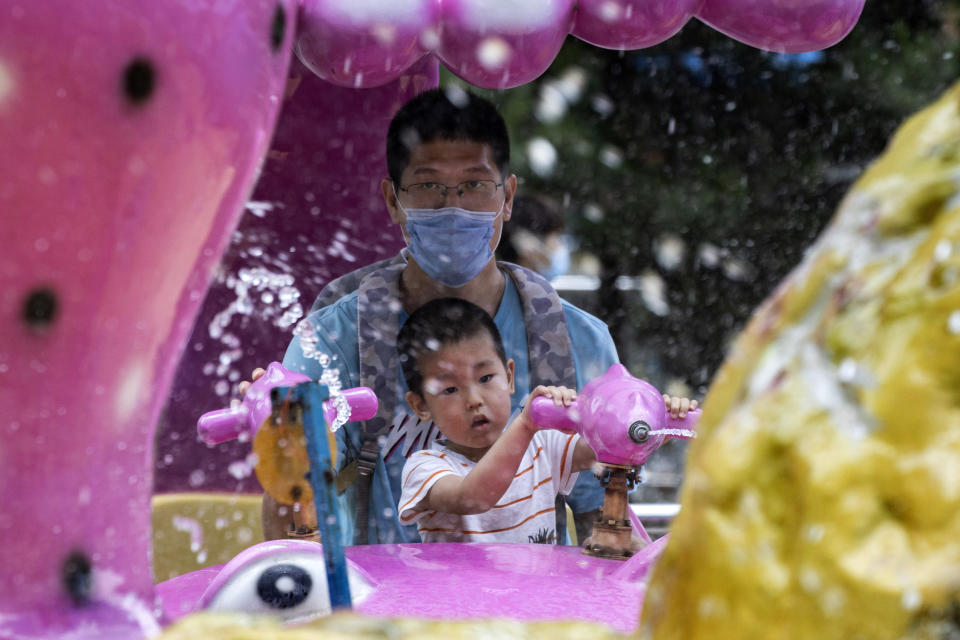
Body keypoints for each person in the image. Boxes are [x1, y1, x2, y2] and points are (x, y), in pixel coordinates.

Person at [250, 87, 691, 546]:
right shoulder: (335, 339)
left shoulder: (574, 340)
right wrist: (281, 438)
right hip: (389, 611)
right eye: (427, 186)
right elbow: (292, 513)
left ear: (508, 197)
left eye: (476, 185)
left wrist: (649, 431)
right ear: (393, 200)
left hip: (534, 615)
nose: (453, 207)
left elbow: (606, 518)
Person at [396, 297, 589, 543]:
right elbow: (474, 498)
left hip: (537, 583)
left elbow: (604, 448)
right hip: (460, 584)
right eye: (450, 390)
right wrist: (525, 425)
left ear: (509, 377)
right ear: (421, 405)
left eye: (485, 378)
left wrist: (590, 416)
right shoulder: (424, 468)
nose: (474, 400)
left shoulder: (543, 444)